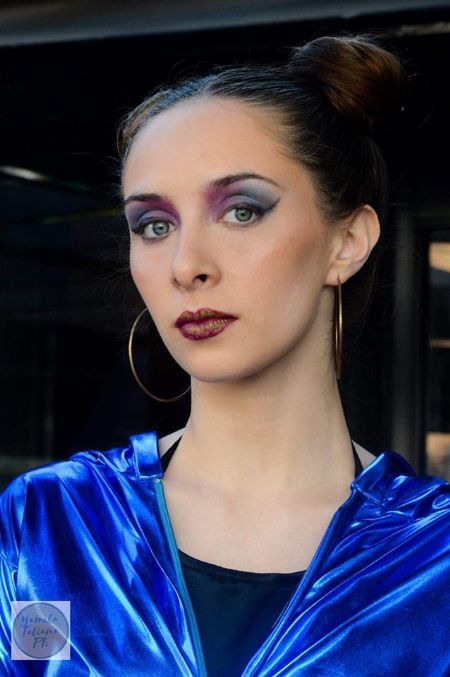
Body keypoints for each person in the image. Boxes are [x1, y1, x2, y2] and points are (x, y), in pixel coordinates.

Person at [1, 34, 449, 676]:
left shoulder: (434, 557)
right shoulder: (50, 524)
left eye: (241, 211)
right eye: (154, 225)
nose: (186, 265)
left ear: (347, 240)